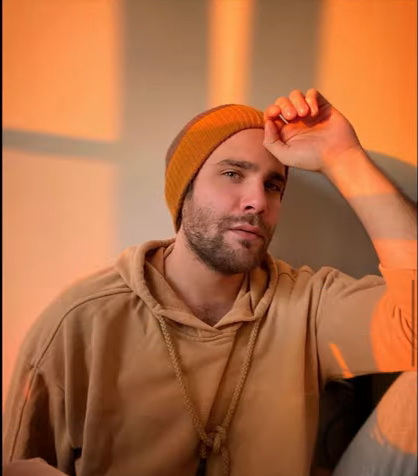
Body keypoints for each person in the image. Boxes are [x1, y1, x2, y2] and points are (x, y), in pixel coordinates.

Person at [3, 89, 416, 476]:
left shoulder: (308, 304)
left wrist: (344, 157)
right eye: (233, 174)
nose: (258, 201)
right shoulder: (81, 321)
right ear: (184, 192)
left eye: (273, 185)